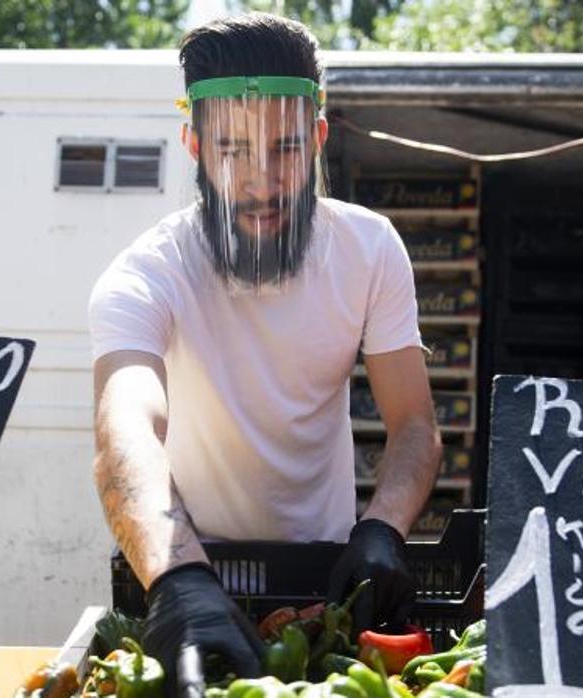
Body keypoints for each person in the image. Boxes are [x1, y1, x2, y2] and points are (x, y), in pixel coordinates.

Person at [88, 12, 441, 694]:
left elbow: (415, 424)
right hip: (184, 568)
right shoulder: (145, 274)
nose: (261, 180)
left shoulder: (369, 251)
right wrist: (178, 580)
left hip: (329, 583)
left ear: (317, 139)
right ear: (193, 144)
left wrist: (383, 529)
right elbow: (126, 431)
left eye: (284, 148)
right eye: (232, 151)